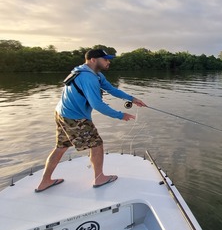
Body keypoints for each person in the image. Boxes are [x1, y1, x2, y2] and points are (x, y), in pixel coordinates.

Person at [35, 49, 147, 192]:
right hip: (74, 117)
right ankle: (99, 178)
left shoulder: (93, 74)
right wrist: (120, 115)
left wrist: (133, 99)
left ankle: (45, 182)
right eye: (105, 59)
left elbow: (112, 90)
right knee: (97, 144)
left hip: (62, 113)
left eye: (108, 59)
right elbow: (97, 104)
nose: (108, 61)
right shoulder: (89, 78)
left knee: (61, 147)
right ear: (93, 60)